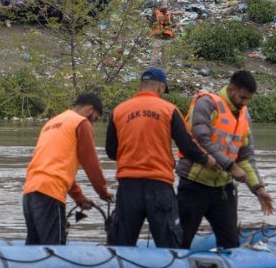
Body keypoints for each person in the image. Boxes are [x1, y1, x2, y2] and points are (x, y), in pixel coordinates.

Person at [103, 68, 215, 248]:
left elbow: (111, 151)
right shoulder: (168, 110)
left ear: (141, 86)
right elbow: (187, 146)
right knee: (170, 245)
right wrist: (206, 159)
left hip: (128, 186)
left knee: (120, 246)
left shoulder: (119, 111)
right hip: (159, 186)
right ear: (161, 87)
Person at [176, 70, 274, 249]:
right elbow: (201, 139)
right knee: (181, 241)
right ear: (231, 89)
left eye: (248, 99)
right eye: (243, 98)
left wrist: (258, 188)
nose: (245, 103)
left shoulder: (245, 116)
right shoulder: (207, 104)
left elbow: (246, 158)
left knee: (230, 243)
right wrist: (230, 166)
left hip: (223, 189)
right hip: (194, 185)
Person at [20, 94, 112, 246]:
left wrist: (79, 198)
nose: (93, 124)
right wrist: (103, 192)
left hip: (30, 191)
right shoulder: (81, 123)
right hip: (50, 193)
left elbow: (58, 169)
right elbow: (92, 164)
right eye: (95, 119)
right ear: (89, 109)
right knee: (55, 248)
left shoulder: (53, 122)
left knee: (34, 247)